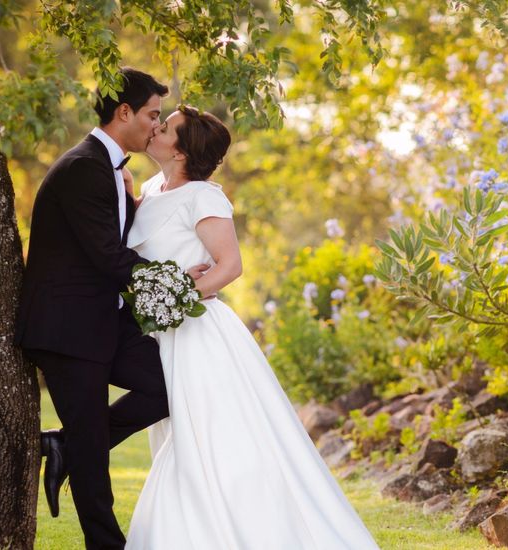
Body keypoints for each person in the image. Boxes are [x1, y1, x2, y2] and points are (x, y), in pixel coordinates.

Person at [123, 105, 380, 549]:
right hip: (160, 335)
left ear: (182, 151)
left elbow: (229, 266)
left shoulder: (204, 196)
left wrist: (178, 295)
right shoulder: (149, 188)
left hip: (199, 334)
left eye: (166, 127)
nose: (155, 128)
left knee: (210, 439)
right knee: (176, 435)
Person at [15, 68, 206, 550]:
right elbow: (107, 255)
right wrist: (176, 285)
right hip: (65, 330)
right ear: (124, 113)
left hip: (102, 321)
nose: (155, 127)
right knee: (94, 462)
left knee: (166, 390)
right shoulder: (83, 167)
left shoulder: (112, 169)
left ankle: (67, 445)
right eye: (151, 115)